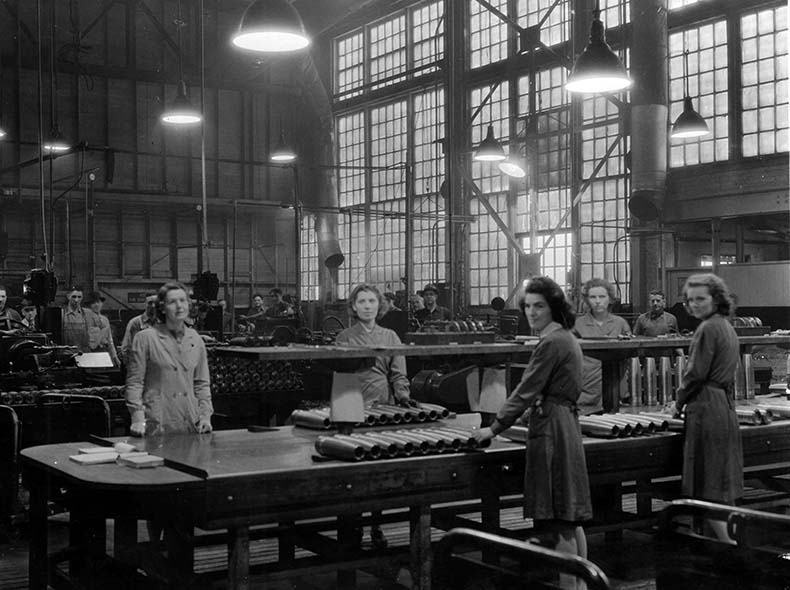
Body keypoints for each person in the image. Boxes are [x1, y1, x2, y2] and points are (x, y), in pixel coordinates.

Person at [473, 277, 591, 590]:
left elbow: (526, 389)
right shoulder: (565, 336)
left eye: (539, 306)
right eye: (527, 306)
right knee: (570, 516)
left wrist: (494, 428)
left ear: (553, 307)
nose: (532, 312)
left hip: (553, 429)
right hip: (562, 423)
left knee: (558, 522)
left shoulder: (552, 342)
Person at [334, 283, 415, 550]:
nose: (368, 306)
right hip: (351, 403)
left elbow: (399, 372)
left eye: (372, 301)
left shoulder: (391, 336)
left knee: (380, 469)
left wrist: (402, 395)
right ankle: (351, 527)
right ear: (354, 307)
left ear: (379, 306)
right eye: (362, 301)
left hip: (383, 403)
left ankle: (376, 526)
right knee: (353, 470)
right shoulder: (344, 337)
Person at [671, 273, 743, 539]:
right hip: (722, 405)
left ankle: (729, 550)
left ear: (716, 298)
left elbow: (694, 374)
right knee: (722, 486)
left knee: (709, 487)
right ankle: (730, 544)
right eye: (690, 300)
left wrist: (677, 402)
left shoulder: (708, 328)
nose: (695, 304)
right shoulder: (725, 326)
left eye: (701, 298)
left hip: (706, 406)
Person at [125, 281, 213, 438]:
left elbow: (201, 383)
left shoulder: (196, 339)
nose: (179, 306)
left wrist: (205, 416)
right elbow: (135, 383)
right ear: (162, 308)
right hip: (157, 423)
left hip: (190, 423)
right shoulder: (145, 339)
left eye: (183, 301)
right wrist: (137, 418)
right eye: (172, 302)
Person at [573, 278, 632, 413]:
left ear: (610, 299)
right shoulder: (577, 325)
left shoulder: (620, 323)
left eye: (602, 296)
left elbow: (629, 356)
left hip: (616, 388)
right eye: (593, 297)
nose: (598, 301)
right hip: (586, 388)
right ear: (587, 299)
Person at [62, 286, 103, 352]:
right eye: (74, 297)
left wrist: (94, 343)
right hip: (67, 353)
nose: (76, 300)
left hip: (84, 353)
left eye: (79, 297)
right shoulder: (62, 314)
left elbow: (102, 328)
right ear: (68, 296)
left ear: (82, 297)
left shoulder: (88, 313)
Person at [85, 291, 120, 366]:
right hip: (91, 352)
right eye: (93, 303)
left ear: (102, 304)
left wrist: (115, 356)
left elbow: (110, 340)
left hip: (104, 351)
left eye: (98, 302)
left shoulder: (105, 320)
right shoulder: (85, 319)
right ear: (89, 305)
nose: (96, 305)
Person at [121, 291, 158, 363]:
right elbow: (125, 347)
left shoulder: (163, 323)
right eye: (150, 303)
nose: (153, 306)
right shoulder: (135, 323)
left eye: (155, 303)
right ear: (145, 304)